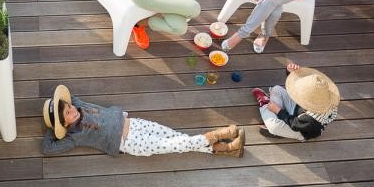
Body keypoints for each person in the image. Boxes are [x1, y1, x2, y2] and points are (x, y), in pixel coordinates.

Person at [42, 85, 245, 158]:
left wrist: (60, 106)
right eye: (67, 113)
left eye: (69, 107)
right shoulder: (74, 136)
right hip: (130, 142)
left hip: (136, 123)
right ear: (64, 124)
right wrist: (55, 127)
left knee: (177, 138)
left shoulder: (79, 106)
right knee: (176, 144)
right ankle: (218, 135)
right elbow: (47, 148)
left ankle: (227, 150)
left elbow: (68, 96)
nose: (72, 110)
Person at [252, 62, 340, 141]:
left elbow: (294, 123)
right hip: (298, 110)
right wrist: (291, 73)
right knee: (277, 89)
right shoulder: (320, 94)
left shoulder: (311, 120)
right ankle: (278, 124)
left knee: (274, 127)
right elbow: (297, 84)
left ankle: (265, 104)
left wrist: (278, 111)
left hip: (301, 130)